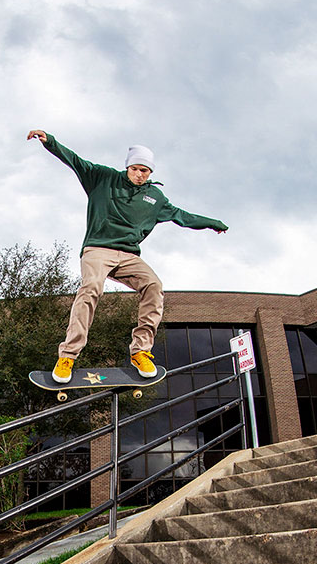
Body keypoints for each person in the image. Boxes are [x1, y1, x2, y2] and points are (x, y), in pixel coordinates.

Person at [27, 130, 228, 383]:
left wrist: (211, 222)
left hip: (129, 255)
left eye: (145, 172)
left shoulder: (155, 198)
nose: (140, 175)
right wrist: (50, 142)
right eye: (136, 169)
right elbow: (75, 161)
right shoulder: (102, 177)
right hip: (98, 249)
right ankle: (67, 355)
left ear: (151, 173)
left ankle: (140, 351)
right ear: (128, 167)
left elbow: (182, 216)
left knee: (154, 285)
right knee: (91, 288)